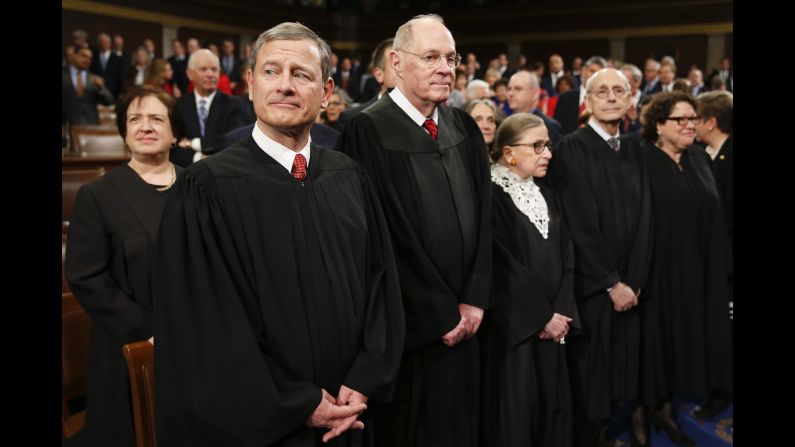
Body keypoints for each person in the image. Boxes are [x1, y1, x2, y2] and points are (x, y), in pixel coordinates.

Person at [153, 22, 405, 446]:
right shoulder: (205, 187)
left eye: (301, 74)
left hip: (352, 413)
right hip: (263, 425)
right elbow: (206, 324)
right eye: (271, 72)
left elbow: (383, 286)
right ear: (250, 84)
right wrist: (299, 402)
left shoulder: (350, 177)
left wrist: (365, 378)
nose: (285, 86)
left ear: (326, 93)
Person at [336, 14, 492, 447]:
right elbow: (383, 236)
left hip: (469, 321)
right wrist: (440, 312)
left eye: (451, 57)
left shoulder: (463, 126)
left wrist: (475, 298)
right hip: (411, 329)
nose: (445, 67)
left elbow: (486, 221)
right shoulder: (365, 128)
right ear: (396, 62)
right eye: (430, 57)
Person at [65, 85, 185, 447]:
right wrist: (148, 331)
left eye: (156, 119)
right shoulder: (97, 195)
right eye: (135, 119)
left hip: (195, 340)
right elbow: (87, 277)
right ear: (124, 132)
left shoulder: (198, 185)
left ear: (174, 133)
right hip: (129, 343)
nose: (145, 126)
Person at [546, 67, 653, 447]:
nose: (610, 97)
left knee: (622, 375)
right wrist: (611, 282)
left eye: (618, 91)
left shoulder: (637, 149)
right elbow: (579, 226)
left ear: (630, 100)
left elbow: (646, 220)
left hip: (632, 286)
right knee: (591, 377)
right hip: (594, 288)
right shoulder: (571, 149)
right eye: (601, 91)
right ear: (586, 102)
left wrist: (635, 279)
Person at [480, 113, 580, 446]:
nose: (547, 153)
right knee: (517, 413)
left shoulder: (547, 193)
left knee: (552, 411)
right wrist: (541, 318)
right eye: (537, 146)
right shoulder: (491, 196)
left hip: (555, 322)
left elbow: (567, 255)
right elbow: (501, 265)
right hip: (517, 331)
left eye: (547, 145)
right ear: (509, 152)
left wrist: (561, 313)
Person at [639, 93, 732, 442]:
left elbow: (715, 211)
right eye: (681, 119)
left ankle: (676, 399)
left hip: (701, 269)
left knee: (693, 338)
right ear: (659, 125)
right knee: (660, 342)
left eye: (693, 118)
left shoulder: (697, 157)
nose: (690, 124)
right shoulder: (643, 159)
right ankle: (655, 409)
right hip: (659, 272)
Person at [172, 49, 246, 167]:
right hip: (185, 173)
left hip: (224, 170)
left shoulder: (235, 105)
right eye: (203, 69)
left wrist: (194, 143)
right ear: (190, 73)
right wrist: (198, 158)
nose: (210, 74)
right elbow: (172, 145)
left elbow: (236, 141)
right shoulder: (177, 105)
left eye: (214, 69)